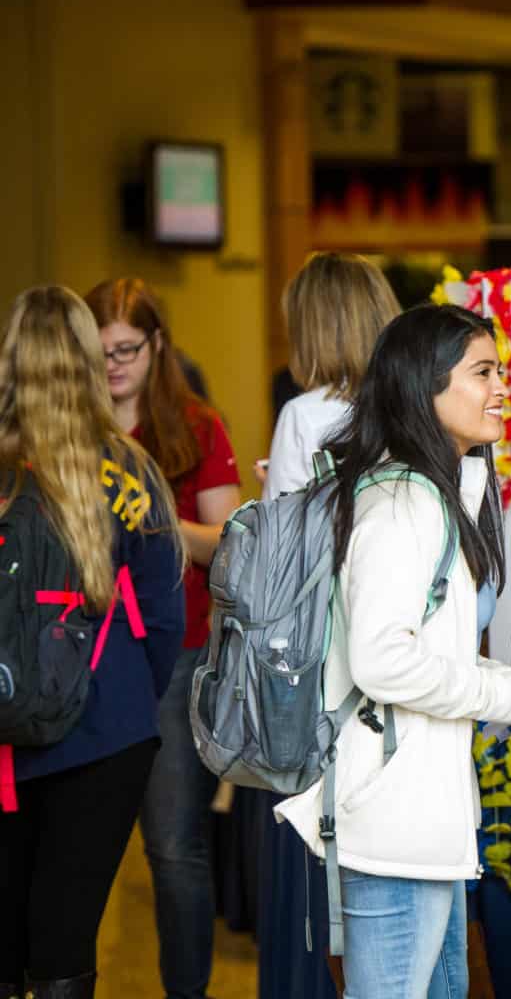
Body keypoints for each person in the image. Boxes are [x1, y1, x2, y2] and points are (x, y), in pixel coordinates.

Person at [273, 304, 511, 996]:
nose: (502, 387)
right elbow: (384, 661)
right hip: (392, 825)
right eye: (482, 372)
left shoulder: (433, 497)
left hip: (423, 822)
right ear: (424, 386)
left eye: (499, 370)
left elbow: (424, 651)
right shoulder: (401, 502)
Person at [0, 286, 186, 999]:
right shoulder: (130, 470)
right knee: (66, 934)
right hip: (108, 730)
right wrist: (126, 693)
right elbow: (165, 619)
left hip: (5, 737)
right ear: (87, 360)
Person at [84, 278, 241, 999]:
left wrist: (152, 523)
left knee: (173, 848)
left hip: (178, 657)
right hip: (79, 659)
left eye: (126, 350)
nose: (113, 364)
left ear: (156, 346)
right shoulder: (69, 428)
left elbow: (231, 546)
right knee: (80, 852)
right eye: (100, 350)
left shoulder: (195, 426)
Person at [253, 253, 397, 999]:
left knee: (312, 865)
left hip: (320, 668)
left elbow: (280, 563)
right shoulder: (415, 412)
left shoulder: (304, 415)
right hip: (399, 663)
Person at [258, 252, 397, 498]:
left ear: (310, 333)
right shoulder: (422, 400)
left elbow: (283, 532)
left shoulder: (303, 415)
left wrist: (278, 481)